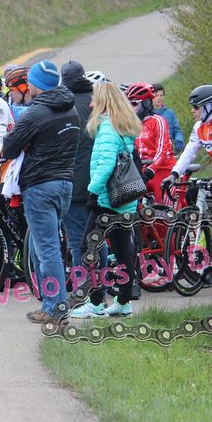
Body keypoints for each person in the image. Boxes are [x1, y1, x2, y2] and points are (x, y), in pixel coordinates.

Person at [0, 61, 80, 323]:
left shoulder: (35, 114)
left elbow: (9, 147)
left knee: (48, 249)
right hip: (65, 184)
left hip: (40, 185)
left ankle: (55, 307)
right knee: (45, 244)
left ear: (35, 85)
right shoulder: (71, 111)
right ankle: (50, 301)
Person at [69, 81, 143, 319]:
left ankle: (96, 301)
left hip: (107, 200)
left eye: (94, 99)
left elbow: (106, 165)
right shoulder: (122, 126)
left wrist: (92, 190)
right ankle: (123, 301)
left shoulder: (107, 128)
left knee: (87, 248)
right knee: (124, 250)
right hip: (124, 199)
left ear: (102, 102)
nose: (90, 103)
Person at [60, 61, 94, 269]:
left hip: (74, 180)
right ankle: (100, 285)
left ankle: (85, 289)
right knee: (95, 237)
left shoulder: (66, 104)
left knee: (76, 240)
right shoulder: (97, 101)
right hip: (99, 180)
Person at [124, 82, 175, 203]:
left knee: (163, 214)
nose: (131, 108)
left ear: (146, 103)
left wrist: (150, 170)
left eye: (134, 103)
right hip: (141, 171)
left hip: (161, 169)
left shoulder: (158, 121)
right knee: (132, 208)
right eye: (129, 104)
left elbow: (162, 150)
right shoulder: (131, 125)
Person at [152, 83, 184, 152]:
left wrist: (179, 140)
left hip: (169, 150)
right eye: (156, 95)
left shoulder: (170, 113)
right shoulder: (148, 115)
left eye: (161, 95)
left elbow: (177, 131)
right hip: (153, 151)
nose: (159, 98)